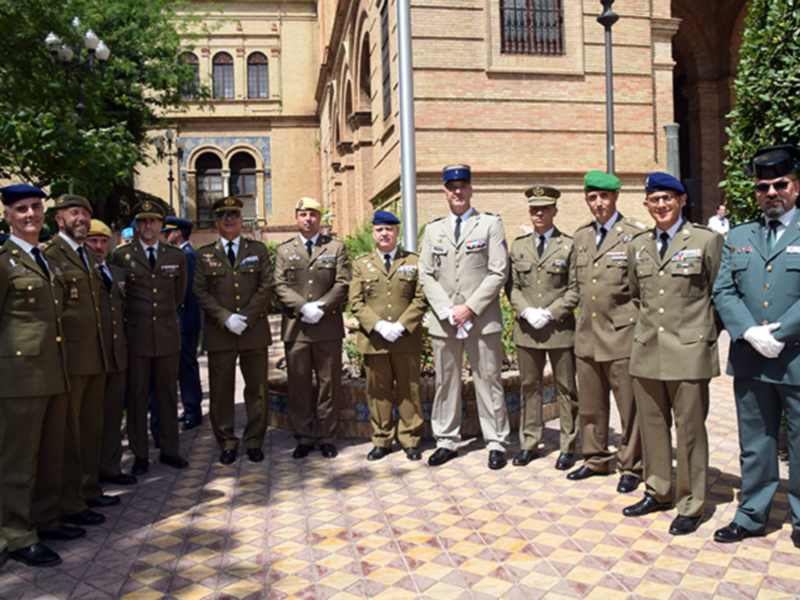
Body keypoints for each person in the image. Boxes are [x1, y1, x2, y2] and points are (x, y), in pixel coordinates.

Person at [622, 172, 723, 536]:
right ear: (646, 205)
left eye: (668, 198)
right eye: (654, 199)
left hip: (689, 353)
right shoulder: (638, 245)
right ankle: (658, 490)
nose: (661, 205)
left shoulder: (706, 240)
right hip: (648, 350)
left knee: (691, 431)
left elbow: (719, 294)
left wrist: (702, 336)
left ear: (681, 200)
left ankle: (691, 503)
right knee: (652, 428)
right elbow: (637, 295)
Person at [712, 144, 800, 548]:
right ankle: (751, 515)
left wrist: (778, 334)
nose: (771, 193)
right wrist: (749, 332)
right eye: (763, 187)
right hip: (751, 359)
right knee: (755, 444)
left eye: (780, 184)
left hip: (795, 357)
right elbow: (724, 290)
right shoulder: (739, 235)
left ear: (795, 186)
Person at [419, 164, 511, 470]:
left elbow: (498, 271)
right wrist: (448, 310)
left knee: (489, 380)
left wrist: (469, 308)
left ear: (471, 189)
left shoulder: (490, 224)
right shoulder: (433, 229)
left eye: (462, 186)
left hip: (482, 319)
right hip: (445, 321)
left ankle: (496, 441)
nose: (457, 192)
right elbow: (425, 274)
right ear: (444, 192)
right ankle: (446, 439)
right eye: (451, 187)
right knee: (446, 382)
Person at [0, 184, 71, 567]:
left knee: (49, 453)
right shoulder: (4, 261)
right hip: (19, 377)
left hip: (52, 370)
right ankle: (17, 534)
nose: (31, 214)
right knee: (19, 459)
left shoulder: (43, 257)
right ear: (8, 216)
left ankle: (45, 519)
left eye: (35, 207)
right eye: (21, 209)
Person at [569, 170, 644, 492]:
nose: (598, 203)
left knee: (629, 407)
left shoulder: (635, 235)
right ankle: (595, 458)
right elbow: (576, 286)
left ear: (615, 197)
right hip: (587, 334)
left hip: (621, 335)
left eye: (604, 196)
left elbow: (642, 289)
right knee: (590, 406)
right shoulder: (581, 236)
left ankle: (632, 466)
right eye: (592, 197)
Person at [45, 195, 115, 529]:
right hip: (70, 360)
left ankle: (88, 490)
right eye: (74, 213)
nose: (82, 218)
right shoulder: (51, 255)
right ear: (59, 219)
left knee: (89, 429)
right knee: (69, 435)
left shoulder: (87, 254)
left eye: (85, 213)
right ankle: (69, 502)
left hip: (95, 356)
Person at [194, 197, 274, 464]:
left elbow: (267, 286)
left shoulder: (258, 249)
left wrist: (246, 318)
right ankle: (227, 442)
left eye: (234, 215)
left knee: (257, 389)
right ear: (216, 222)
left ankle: (254, 441)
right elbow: (199, 291)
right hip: (220, 333)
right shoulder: (204, 254)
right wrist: (226, 318)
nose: (229, 219)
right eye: (223, 216)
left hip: (254, 330)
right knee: (220, 391)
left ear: (241, 220)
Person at [111, 201, 188, 475]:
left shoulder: (175, 255)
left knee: (167, 395)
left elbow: (178, 294)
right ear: (136, 225)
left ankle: (170, 450)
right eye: (143, 221)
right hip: (136, 336)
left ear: (160, 225)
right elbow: (119, 297)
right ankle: (140, 454)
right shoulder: (121, 256)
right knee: (137, 397)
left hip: (166, 335)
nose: (148, 226)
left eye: (153, 221)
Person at [508, 185, 579, 467]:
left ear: (554, 211)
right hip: (527, 330)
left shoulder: (569, 245)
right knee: (529, 387)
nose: (539, 213)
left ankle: (568, 446)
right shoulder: (518, 246)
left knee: (566, 389)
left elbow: (575, 289)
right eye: (534, 209)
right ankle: (529, 442)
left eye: (545, 209)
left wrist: (550, 313)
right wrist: (525, 311)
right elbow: (512, 286)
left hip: (559, 329)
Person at [274, 197, 350, 459]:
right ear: (297, 218)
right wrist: (303, 307)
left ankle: (328, 437)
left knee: (329, 384)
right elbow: (279, 285)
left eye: (313, 214)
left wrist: (322, 307)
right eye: (303, 214)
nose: (308, 219)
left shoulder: (336, 247)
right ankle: (304, 437)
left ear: (320, 219)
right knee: (299, 386)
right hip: (297, 328)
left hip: (327, 328)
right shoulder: (284, 250)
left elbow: (342, 283)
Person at [349, 210, 427, 461]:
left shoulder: (414, 261)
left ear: (397, 232)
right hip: (375, 340)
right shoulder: (361, 264)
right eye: (379, 229)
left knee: (409, 390)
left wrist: (402, 325)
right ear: (373, 233)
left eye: (389, 229)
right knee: (377, 392)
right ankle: (381, 440)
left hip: (406, 339)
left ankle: (410, 439)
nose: (384, 234)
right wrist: (379, 325)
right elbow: (355, 301)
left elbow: (421, 298)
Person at [85, 220, 136, 486]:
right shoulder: (79, 272)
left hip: (117, 354)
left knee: (113, 414)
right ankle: (88, 478)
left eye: (103, 241)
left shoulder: (117, 272)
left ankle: (110, 467)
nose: (99, 246)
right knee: (88, 419)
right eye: (93, 241)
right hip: (90, 357)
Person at [163, 216, 203, 431]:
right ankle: (190, 407)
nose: (165, 236)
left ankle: (193, 410)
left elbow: (184, 289)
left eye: (167, 232)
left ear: (177, 233)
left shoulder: (186, 255)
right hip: (183, 318)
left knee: (186, 365)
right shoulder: (183, 253)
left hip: (184, 319)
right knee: (185, 365)